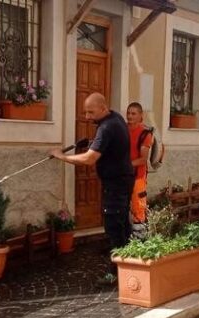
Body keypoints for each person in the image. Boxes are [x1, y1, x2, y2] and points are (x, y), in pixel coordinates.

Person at [49, 93, 134, 284]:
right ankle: (129, 268)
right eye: (85, 112)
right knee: (122, 225)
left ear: (103, 108)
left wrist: (60, 156)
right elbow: (107, 145)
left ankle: (116, 275)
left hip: (116, 184)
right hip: (122, 181)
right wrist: (90, 143)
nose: (86, 117)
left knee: (115, 229)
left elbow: (89, 159)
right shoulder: (115, 118)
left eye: (90, 112)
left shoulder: (107, 127)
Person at [126, 102, 152, 235]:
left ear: (140, 115)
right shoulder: (122, 130)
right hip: (123, 176)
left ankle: (140, 241)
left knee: (138, 210)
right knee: (123, 208)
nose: (130, 116)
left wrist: (124, 165)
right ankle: (124, 240)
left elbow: (143, 159)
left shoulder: (145, 134)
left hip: (138, 177)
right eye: (128, 113)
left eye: (133, 113)